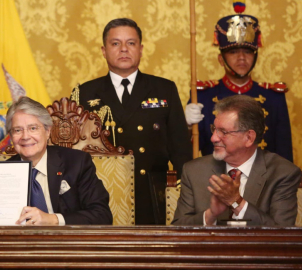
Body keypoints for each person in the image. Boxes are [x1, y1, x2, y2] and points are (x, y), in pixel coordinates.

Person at [72, 18, 192, 225]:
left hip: (152, 194)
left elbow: (180, 149)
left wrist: (189, 196)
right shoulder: (84, 93)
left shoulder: (164, 89)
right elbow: (74, 153)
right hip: (101, 194)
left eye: (131, 43)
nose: (124, 49)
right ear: (103, 50)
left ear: (141, 49)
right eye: (116, 43)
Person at [185, 5, 293, 162]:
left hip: (264, 182)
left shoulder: (274, 97)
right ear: (221, 59)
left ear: (256, 56)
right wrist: (186, 127)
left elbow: (284, 156)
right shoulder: (203, 96)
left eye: (248, 51)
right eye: (233, 52)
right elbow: (189, 154)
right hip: (215, 180)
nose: (241, 57)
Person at [173, 95, 301, 226]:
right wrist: (211, 215)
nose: (213, 138)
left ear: (249, 138)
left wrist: (236, 202)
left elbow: (281, 235)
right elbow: (178, 228)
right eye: (214, 129)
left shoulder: (282, 173)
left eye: (223, 132)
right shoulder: (194, 170)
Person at [6, 96, 112, 225]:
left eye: (33, 128)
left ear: (47, 131)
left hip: (67, 242)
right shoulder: (0, 172)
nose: (25, 136)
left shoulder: (77, 163)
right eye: (18, 130)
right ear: (11, 136)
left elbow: (102, 215)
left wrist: (52, 219)